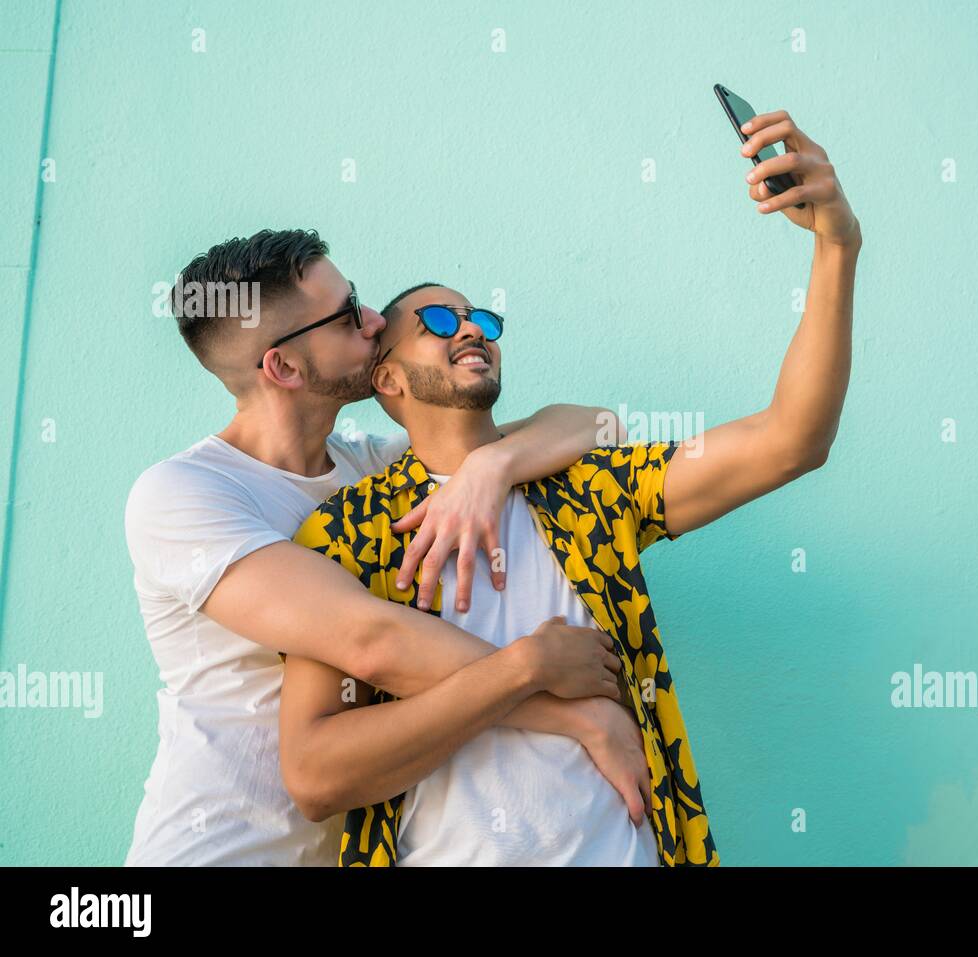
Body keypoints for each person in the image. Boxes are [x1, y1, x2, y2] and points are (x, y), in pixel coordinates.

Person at [281, 109, 862, 866]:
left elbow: (792, 440)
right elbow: (316, 773)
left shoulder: (588, 488)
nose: (471, 328)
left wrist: (836, 248)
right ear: (385, 376)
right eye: (436, 317)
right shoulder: (347, 532)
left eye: (480, 316)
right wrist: (527, 668)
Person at [124, 229, 639, 865]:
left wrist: (490, 469)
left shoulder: (370, 473)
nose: (373, 324)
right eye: (346, 316)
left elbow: (594, 426)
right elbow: (370, 640)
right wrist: (572, 711)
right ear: (282, 367)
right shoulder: (185, 495)